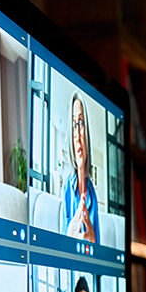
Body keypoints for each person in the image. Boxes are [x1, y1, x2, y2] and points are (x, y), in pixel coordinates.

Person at [62, 93, 101, 244]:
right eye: (73, 126)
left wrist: (93, 241)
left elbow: (98, 251)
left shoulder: (92, 194)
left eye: (81, 123)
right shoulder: (66, 187)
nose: (77, 135)